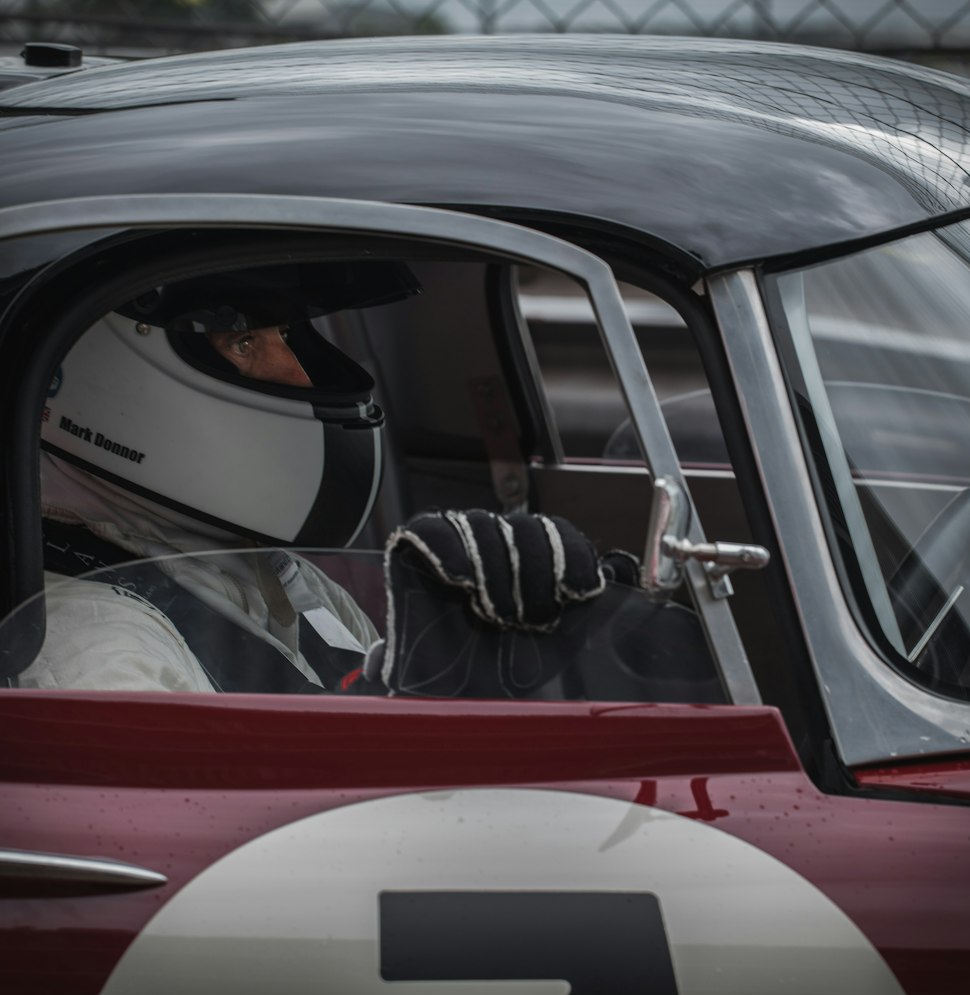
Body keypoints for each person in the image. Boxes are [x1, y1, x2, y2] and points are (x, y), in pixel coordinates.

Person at [15, 261, 611, 696]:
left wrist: (450, 691)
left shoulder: (274, 575)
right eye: (243, 342)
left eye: (291, 338)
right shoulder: (96, 651)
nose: (299, 376)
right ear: (109, 378)